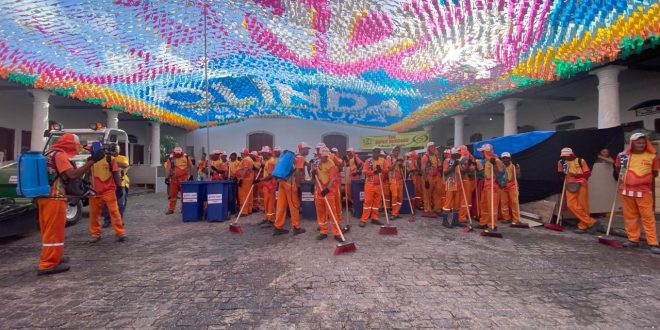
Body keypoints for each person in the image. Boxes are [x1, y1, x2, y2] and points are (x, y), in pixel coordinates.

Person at [37, 133, 104, 275]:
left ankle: (55, 257)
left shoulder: (49, 152)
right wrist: (92, 161)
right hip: (55, 197)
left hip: (43, 197)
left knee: (48, 231)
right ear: (70, 144)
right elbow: (72, 175)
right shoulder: (60, 155)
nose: (78, 147)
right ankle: (48, 264)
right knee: (54, 232)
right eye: (77, 144)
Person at [614, 133, 660, 254]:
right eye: (638, 142)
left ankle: (653, 243)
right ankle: (633, 239)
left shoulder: (652, 156)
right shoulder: (623, 156)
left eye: (643, 142)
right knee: (630, 217)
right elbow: (619, 169)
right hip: (626, 191)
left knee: (648, 217)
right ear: (632, 143)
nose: (641, 145)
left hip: (644, 192)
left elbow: (655, 173)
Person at [89, 144, 127, 243]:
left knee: (114, 212)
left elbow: (115, 174)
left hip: (109, 191)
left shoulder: (110, 159)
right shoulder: (90, 160)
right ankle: (95, 234)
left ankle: (120, 233)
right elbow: (87, 174)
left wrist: (119, 187)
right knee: (94, 214)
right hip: (94, 192)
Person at [557, 147, 600, 234]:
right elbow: (560, 174)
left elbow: (588, 174)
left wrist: (576, 175)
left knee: (583, 206)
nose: (565, 157)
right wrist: (563, 174)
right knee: (571, 204)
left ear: (572, 154)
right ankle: (591, 222)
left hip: (581, 184)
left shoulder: (581, 161)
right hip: (569, 185)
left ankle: (583, 226)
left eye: (567, 156)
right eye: (564, 156)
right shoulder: (561, 162)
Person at [271, 142, 310, 236]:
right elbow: (297, 172)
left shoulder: (293, 156)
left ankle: (278, 227)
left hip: (282, 181)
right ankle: (296, 227)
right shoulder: (300, 157)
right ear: (302, 149)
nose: (308, 150)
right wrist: (298, 185)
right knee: (294, 205)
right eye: (307, 149)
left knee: (281, 205)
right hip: (290, 183)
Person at [313, 147, 342, 241]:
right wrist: (313, 174)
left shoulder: (331, 163)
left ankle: (337, 233)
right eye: (323, 156)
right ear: (319, 155)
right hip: (319, 191)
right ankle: (323, 231)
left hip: (328, 190)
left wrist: (327, 189)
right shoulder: (316, 163)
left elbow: (333, 178)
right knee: (320, 212)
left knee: (332, 212)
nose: (325, 158)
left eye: (326, 156)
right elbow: (314, 178)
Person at [102, 145, 129, 228]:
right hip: (109, 184)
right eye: (113, 149)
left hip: (121, 184)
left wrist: (112, 161)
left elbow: (125, 165)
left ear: (119, 150)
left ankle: (119, 220)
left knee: (121, 204)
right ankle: (107, 221)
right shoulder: (105, 158)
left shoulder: (122, 158)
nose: (114, 150)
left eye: (116, 149)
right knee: (106, 204)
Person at [477, 144, 503, 230]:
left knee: (492, 206)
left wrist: (494, 164)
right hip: (486, 185)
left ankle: (492, 225)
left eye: (482, 152)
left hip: (493, 186)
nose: (481, 153)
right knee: (484, 204)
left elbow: (499, 173)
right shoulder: (487, 161)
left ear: (486, 152)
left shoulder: (496, 160)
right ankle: (483, 222)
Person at [359, 147, 386, 227]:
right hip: (369, 184)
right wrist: (373, 172)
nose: (376, 153)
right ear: (372, 152)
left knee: (377, 203)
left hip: (379, 184)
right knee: (367, 202)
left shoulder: (383, 160)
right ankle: (363, 219)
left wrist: (381, 170)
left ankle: (375, 218)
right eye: (375, 151)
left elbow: (386, 170)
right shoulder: (368, 161)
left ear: (379, 153)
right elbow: (364, 171)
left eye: (378, 152)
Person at [165, 147, 193, 215]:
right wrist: (166, 178)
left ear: (181, 152)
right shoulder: (171, 158)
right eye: (176, 154)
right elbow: (168, 168)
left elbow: (191, 166)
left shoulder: (185, 157)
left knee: (184, 194)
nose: (177, 155)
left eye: (179, 153)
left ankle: (184, 208)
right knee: (173, 195)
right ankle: (171, 209)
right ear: (174, 153)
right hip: (174, 179)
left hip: (184, 179)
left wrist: (191, 175)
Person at [441, 147, 462, 228]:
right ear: (454, 154)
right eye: (458, 153)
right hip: (450, 184)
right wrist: (453, 166)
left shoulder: (459, 161)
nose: (459, 155)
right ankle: (445, 221)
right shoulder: (447, 161)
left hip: (458, 184)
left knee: (457, 204)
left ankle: (455, 220)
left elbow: (461, 172)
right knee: (448, 203)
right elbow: (445, 173)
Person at [256, 146, 277, 227]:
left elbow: (271, 175)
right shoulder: (267, 161)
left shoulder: (271, 162)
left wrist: (260, 180)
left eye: (262, 153)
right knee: (266, 202)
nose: (261, 155)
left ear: (266, 153)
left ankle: (271, 220)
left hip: (270, 185)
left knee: (270, 203)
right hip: (266, 185)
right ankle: (266, 218)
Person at [421, 142, 442, 217]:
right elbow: (423, 169)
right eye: (432, 147)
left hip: (436, 177)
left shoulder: (436, 156)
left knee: (438, 193)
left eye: (434, 147)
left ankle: (437, 209)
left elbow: (439, 166)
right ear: (428, 148)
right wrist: (426, 180)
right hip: (428, 177)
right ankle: (427, 210)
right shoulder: (425, 157)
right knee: (427, 194)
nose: (434, 148)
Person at [499, 152, 521, 225]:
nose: (505, 160)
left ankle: (516, 219)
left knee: (514, 202)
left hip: (512, 185)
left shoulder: (514, 166)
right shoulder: (500, 167)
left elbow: (518, 177)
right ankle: (506, 218)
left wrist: (518, 169)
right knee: (504, 203)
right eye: (503, 158)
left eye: (506, 158)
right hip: (503, 186)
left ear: (510, 158)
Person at [457, 145, 477, 225]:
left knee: (466, 200)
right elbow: (464, 170)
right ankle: (462, 216)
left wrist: (472, 165)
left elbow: (472, 170)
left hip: (467, 181)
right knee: (464, 200)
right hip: (464, 181)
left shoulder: (467, 158)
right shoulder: (463, 159)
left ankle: (464, 215)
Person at [386, 146, 404, 219]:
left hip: (400, 180)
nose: (397, 152)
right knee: (394, 196)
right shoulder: (389, 158)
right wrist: (396, 161)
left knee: (400, 198)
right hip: (393, 180)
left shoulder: (400, 160)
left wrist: (401, 165)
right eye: (395, 150)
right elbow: (389, 168)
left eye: (398, 150)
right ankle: (394, 213)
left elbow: (402, 169)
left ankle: (396, 212)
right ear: (392, 151)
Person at [236, 148, 255, 216]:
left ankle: (244, 211)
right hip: (249, 179)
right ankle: (249, 209)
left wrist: (241, 178)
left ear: (244, 153)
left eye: (241, 153)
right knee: (249, 195)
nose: (241, 154)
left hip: (245, 180)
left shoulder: (246, 159)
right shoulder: (250, 159)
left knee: (243, 195)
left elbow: (245, 169)